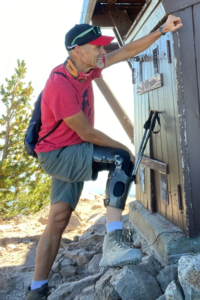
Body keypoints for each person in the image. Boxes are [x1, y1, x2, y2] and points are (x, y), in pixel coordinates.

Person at [25, 14, 183, 300]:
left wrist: (161, 30)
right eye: (96, 47)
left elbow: (125, 51)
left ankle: (36, 290)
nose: (102, 51)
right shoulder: (59, 85)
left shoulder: (88, 69)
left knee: (59, 219)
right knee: (121, 158)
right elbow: (86, 133)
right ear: (78, 50)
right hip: (60, 153)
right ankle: (113, 243)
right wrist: (126, 148)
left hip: (66, 149)